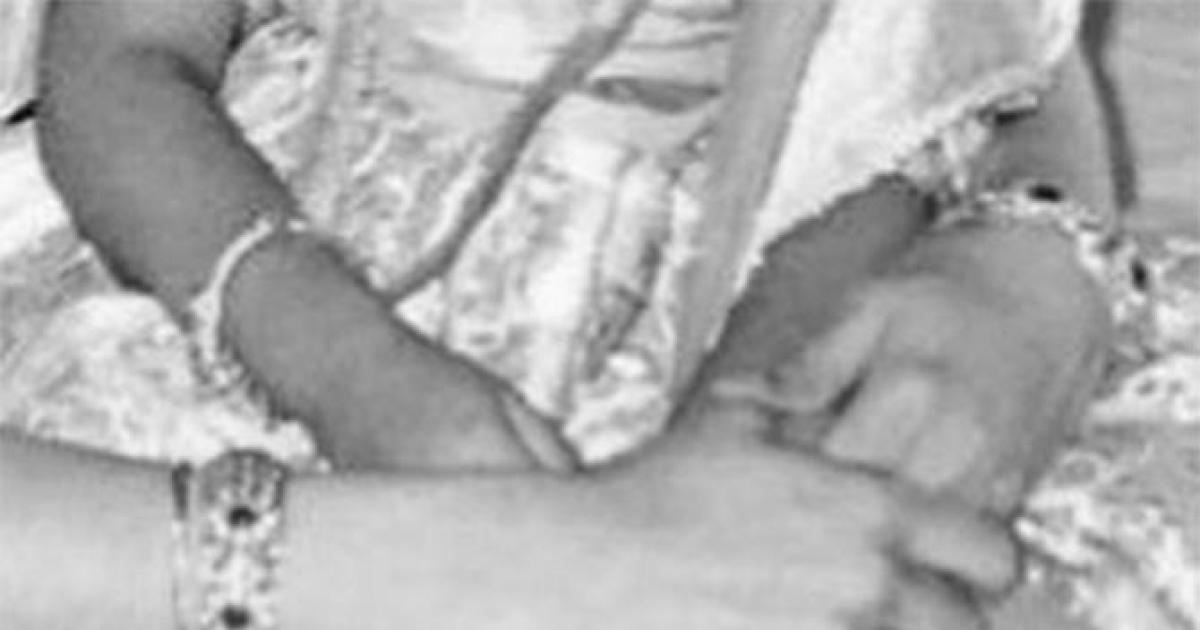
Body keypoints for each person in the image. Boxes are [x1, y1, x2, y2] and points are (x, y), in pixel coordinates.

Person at [0, 0, 1129, 627]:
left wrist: (738, 429)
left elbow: (920, 94)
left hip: (767, 269)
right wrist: (351, 369)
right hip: (290, 250)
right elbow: (121, 64)